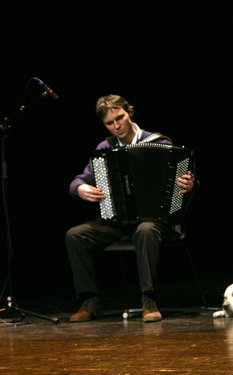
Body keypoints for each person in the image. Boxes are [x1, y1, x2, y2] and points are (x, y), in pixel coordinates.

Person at [65, 94, 195, 323]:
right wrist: (81, 188)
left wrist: (189, 184)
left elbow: (186, 182)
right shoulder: (105, 148)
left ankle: (149, 300)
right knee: (75, 235)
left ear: (130, 113)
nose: (116, 126)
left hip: (154, 220)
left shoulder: (159, 143)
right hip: (118, 220)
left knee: (145, 230)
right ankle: (90, 302)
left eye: (120, 118)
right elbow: (78, 180)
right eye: (109, 123)